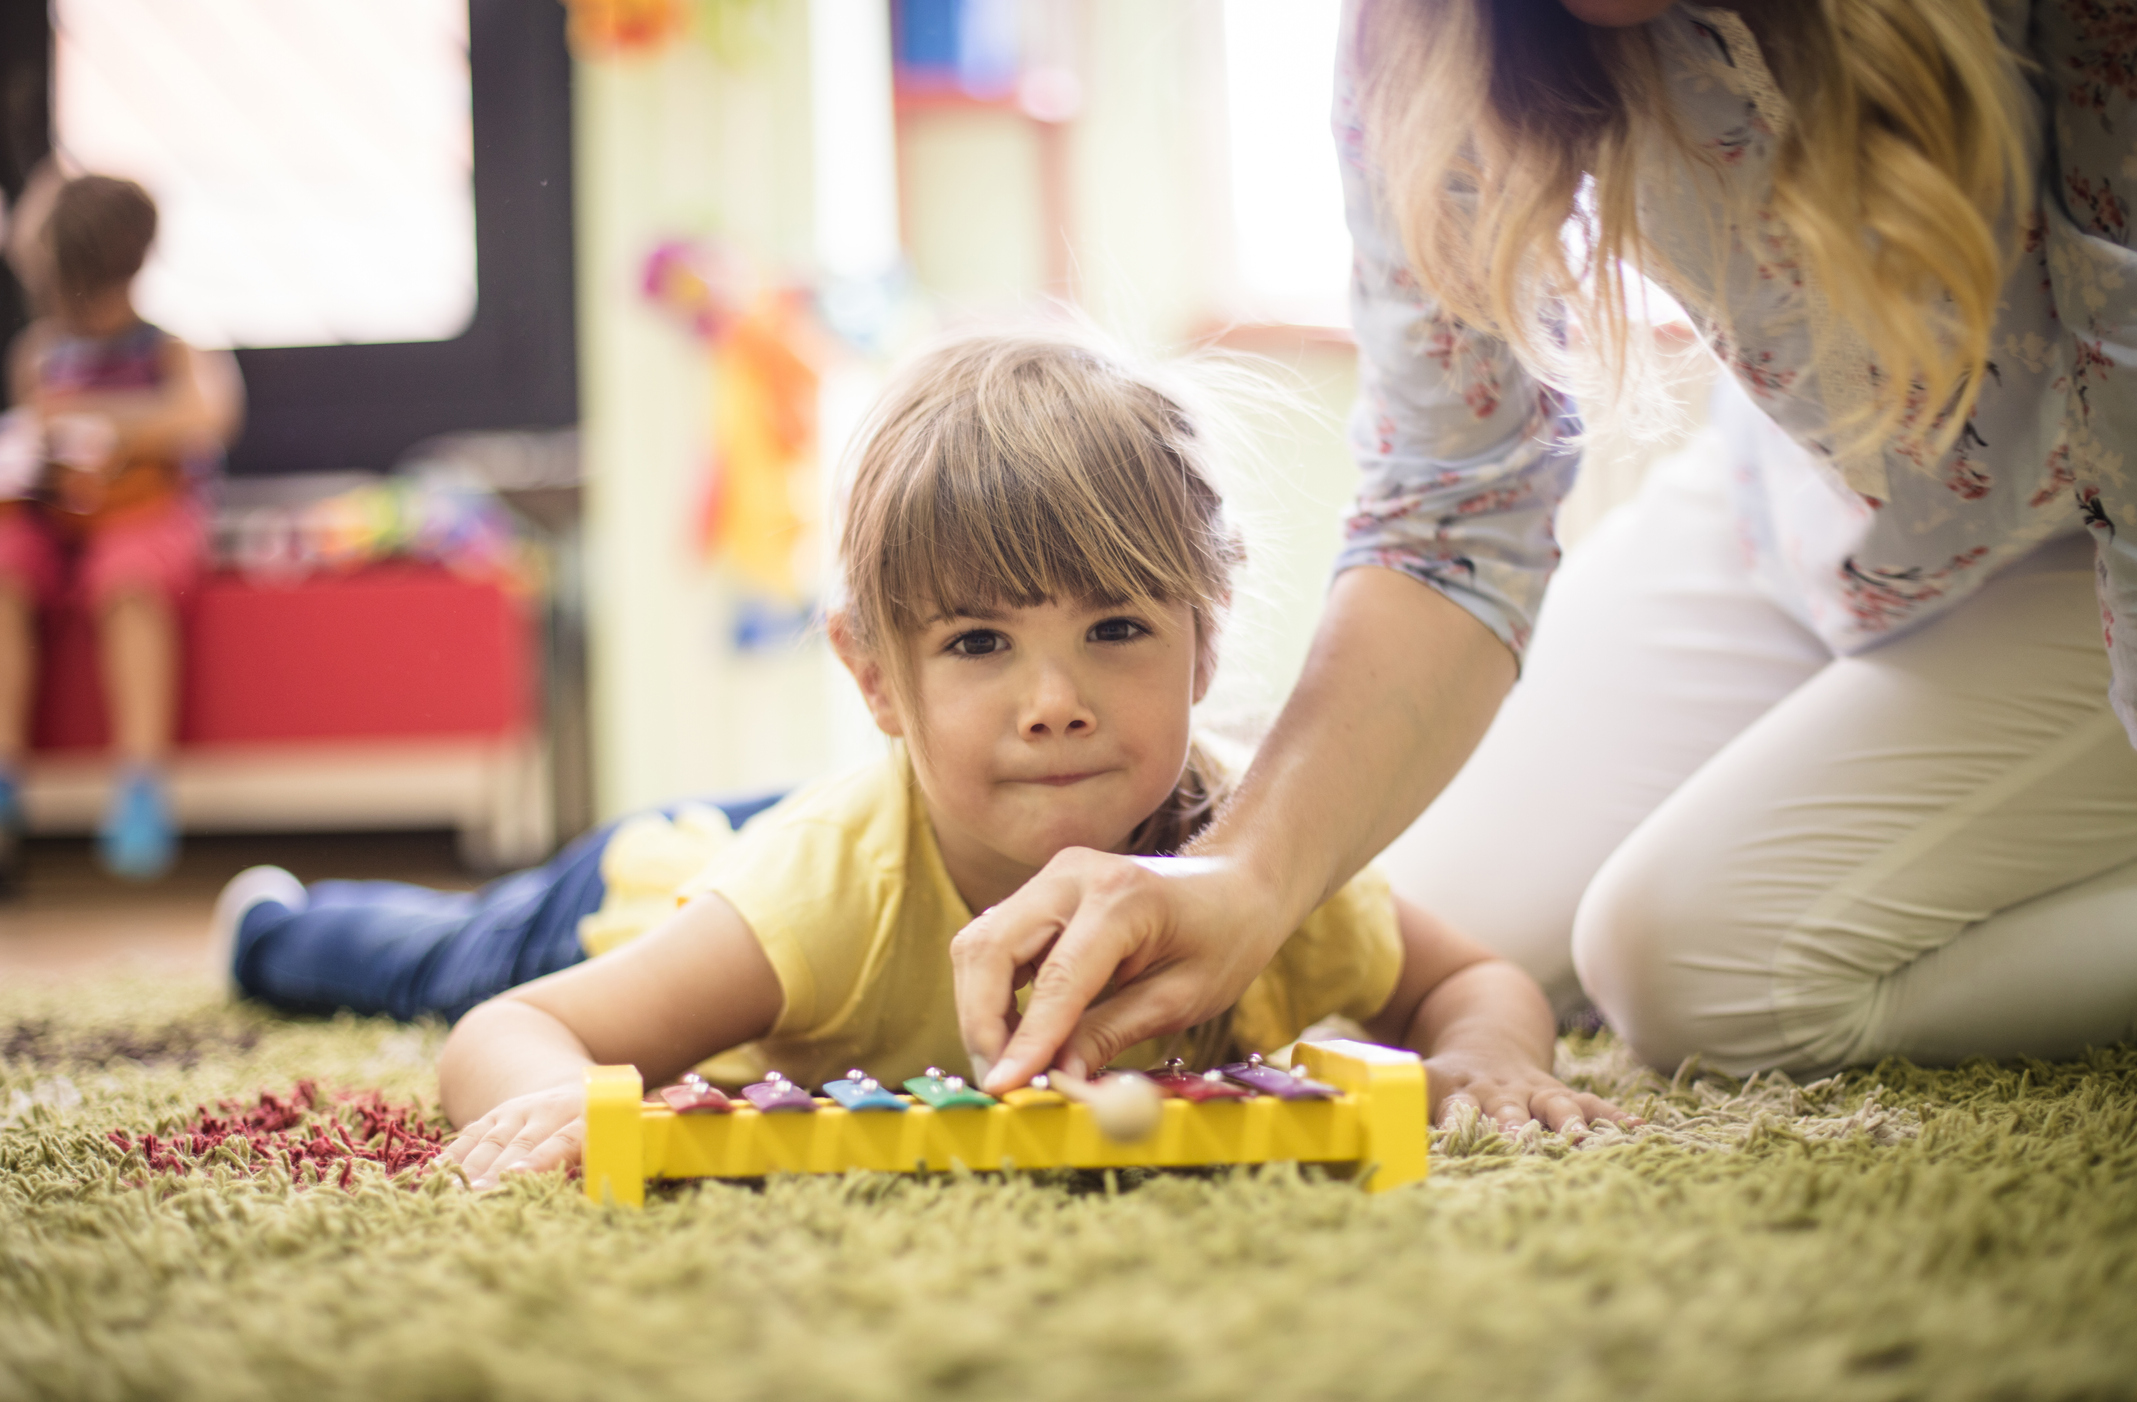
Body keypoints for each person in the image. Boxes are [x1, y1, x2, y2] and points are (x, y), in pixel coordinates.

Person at [952, 0, 2137, 1106]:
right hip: (1796, 511)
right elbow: (1450, 512)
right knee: (1406, 922)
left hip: (2082, 549)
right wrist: (1245, 873)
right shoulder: (1431, 39)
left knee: (1693, 962)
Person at [214, 328, 1623, 1187]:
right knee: (438, 956)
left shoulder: (1265, 842)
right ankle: (279, 920)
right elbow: (512, 1033)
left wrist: (1489, 1059)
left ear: (1207, 643)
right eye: (978, 644)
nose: (1056, 699)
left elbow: (1470, 978)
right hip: (664, 876)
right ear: (873, 674)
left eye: (1116, 626)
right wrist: (549, 1111)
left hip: (868, 821)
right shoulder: (824, 900)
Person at [0, 171, 244, 883]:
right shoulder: (40, 355)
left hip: (146, 515)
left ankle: (140, 782)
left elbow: (208, 417)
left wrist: (112, 427)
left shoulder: (170, 349)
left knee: (129, 581)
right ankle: (6, 776)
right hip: (58, 516)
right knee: (5, 570)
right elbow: (33, 440)